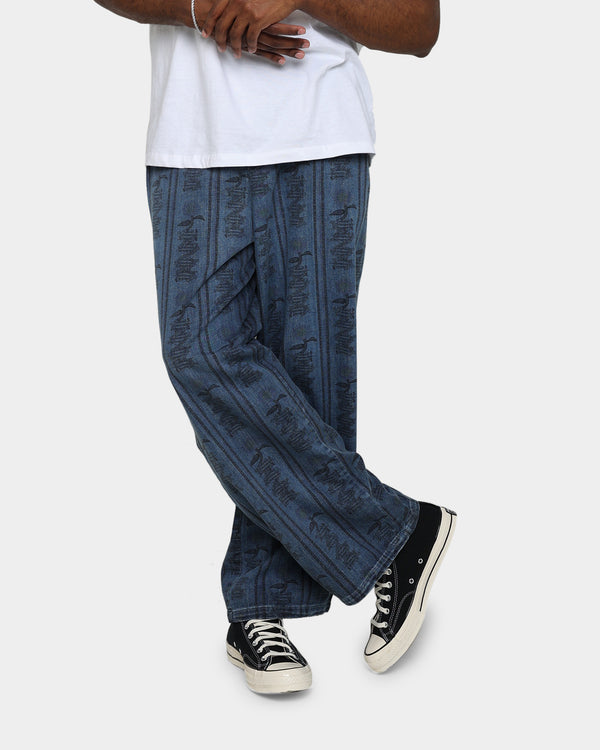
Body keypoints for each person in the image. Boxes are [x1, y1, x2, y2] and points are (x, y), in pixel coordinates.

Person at [93, 0, 456, 694]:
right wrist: (205, 9)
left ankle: (262, 600)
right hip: (193, 140)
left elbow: (420, 27)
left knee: (307, 384)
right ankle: (396, 535)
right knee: (199, 352)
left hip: (320, 133)